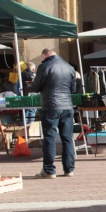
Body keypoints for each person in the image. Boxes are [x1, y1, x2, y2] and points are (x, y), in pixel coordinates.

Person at [31, 48, 76, 179]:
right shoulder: (69, 67)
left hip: (51, 106)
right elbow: (73, 88)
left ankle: (49, 170)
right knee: (67, 138)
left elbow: (36, 87)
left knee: (50, 137)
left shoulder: (44, 66)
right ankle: (69, 169)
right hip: (67, 105)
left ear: (43, 55)